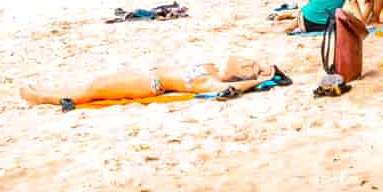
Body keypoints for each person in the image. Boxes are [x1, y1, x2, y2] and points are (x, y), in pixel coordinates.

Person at [20, 56, 278, 107]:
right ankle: (47, 92)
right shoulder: (212, 69)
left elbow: (233, 87)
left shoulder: (210, 84)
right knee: (94, 84)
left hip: (148, 85)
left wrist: (258, 80)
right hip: (144, 75)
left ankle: (42, 97)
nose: (248, 62)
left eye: (250, 67)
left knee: (92, 92)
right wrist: (265, 71)